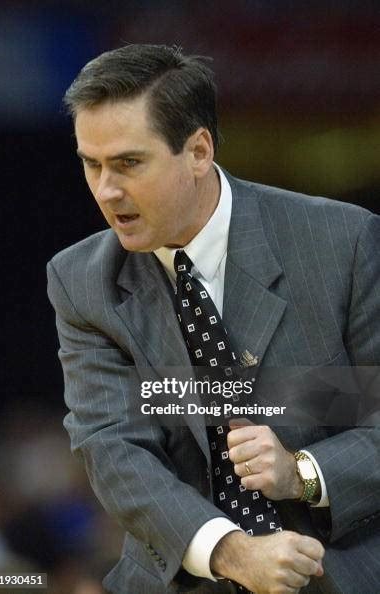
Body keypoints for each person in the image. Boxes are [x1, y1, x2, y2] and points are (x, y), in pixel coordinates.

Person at [47, 44, 380, 594]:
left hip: (341, 563)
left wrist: (301, 473)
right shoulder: (80, 280)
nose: (107, 190)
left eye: (129, 163)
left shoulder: (341, 243)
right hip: (186, 573)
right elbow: (113, 449)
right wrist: (230, 551)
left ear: (199, 151)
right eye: (91, 163)